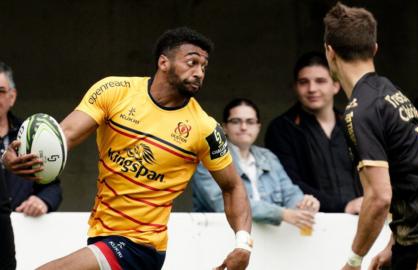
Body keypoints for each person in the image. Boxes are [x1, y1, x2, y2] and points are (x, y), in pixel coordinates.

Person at [2, 27, 252, 270]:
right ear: (163, 63)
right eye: (192, 62)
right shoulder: (114, 91)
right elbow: (65, 135)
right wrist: (18, 157)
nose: (199, 72)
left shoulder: (205, 129)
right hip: (101, 235)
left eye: (204, 67)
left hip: (142, 247)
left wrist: (243, 245)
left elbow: (232, 186)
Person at [323, 3, 418, 270]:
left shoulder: (360, 112)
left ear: (329, 51)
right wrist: (393, 243)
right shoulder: (389, 90)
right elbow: (412, 174)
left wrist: (354, 260)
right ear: (374, 48)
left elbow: (379, 197)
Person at [192, 98, 320, 230]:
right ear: (224, 127)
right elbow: (224, 203)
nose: (243, 127)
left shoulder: (268, 157)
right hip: (222, 240)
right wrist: (281, 214)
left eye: (250, 122)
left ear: (258, 127)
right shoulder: (209, 158)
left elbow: (290, 193)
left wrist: (304, 203)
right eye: (236, 121)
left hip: (270, 241)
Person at [265, 51, 363, 213]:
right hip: (310, 222)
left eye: (320, 81)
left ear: (336, 85)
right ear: (295, 87)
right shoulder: (283, 128)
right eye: (304, 82)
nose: (312, 89)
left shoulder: (353, 124)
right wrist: (343, 207)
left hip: (360, 218)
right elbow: (289, 183)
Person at [0, 62, 62, 218]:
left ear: (12, 97)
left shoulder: (30, 134)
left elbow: (52, 186)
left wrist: (42, 200)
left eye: (0, 91)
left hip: (24, 231)